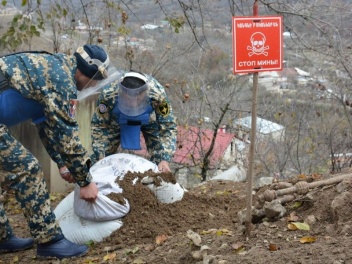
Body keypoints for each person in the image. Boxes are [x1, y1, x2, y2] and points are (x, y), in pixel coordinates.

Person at [0, 44, 110, 259]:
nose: (95, 84)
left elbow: (46, 126)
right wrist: (85, 181)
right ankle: (50, 241)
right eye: (96, 79)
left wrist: (62, 164)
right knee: (27, 170)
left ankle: (2, 237)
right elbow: (67, 136)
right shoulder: (62, 81)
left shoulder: (55, 68)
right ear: (87, 72)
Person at [91, 71, 177, 172]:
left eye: (137, 99)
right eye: (129, 100)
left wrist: (164, 158)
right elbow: (100, 126)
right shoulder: (109, 93)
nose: (133, 104)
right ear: (121, 92)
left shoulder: (157, 94)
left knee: (161, 160)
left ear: (145, 93)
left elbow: (168, 126)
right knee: (101, 160)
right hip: (117, 119)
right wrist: (101, 155)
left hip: (148, 119)